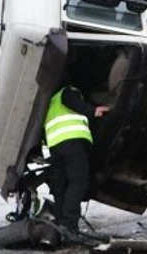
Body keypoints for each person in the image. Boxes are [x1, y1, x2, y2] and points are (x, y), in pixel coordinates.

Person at [44, 81, 110, 235]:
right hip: (71, 142)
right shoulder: (68, 91)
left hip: (55, 145)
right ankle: (69, 224)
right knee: (78, 182)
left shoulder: (51, 102)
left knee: (61, 185)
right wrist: (93, 110)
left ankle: (60, 220)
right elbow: (74, 103)